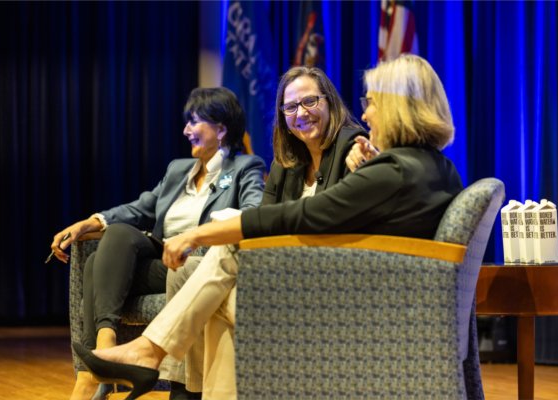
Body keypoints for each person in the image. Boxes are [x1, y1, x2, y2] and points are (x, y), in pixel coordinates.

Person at [72, 54, 463, 400]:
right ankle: (153, 355)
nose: (366, 114)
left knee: (227, 257)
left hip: (348, 310)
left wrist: (198, 234)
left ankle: (152, 353)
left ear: (398, 108)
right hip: (370, 299)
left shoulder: (391, 169)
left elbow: (305, 217)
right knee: (222, 290)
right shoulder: (434, 169)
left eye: (373, 103)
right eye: (291, 106)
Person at [160, 66, 366, 398]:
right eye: (290, 107)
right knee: (193, 273)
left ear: (329, 102)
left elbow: (328, 220)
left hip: (326, 274)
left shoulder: (351, 145)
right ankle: (186, 388)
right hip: (281, 269)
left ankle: (163, 365)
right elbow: (260, 219)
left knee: (218, 290)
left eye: (310, 101)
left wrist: (198, 236)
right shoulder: (287, 163)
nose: (301, 113)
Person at [51, 87, 266, 400]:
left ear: (221, 129)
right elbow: (140, 208)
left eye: (195, 121)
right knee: (116, 237)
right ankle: (104, 351)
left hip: (200, 263)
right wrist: (90, 222)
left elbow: (252, 213)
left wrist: (199, 238)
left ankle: (94, 374)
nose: (186, 130)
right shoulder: (178, 169)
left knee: (97, 265)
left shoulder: (245, 167)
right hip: (162, 257)